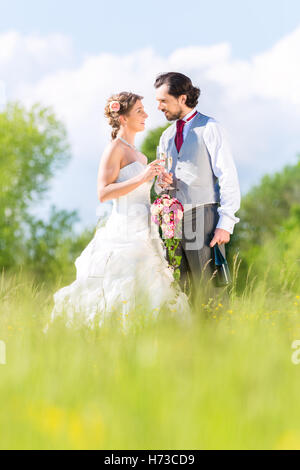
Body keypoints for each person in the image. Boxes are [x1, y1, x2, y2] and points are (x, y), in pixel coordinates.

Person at [49, 91, 191, 333]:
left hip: (147, 231)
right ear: (123, 118)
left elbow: (140, 191)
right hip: (124, 231)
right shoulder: (114, 148)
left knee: (153, 288)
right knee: (120, 286)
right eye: (139, 111)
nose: (146, 114)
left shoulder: (140, 155)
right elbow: (103, 193)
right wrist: (143, 176)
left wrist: (159, 182)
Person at [154, 72, 241, 305]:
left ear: (182, 98)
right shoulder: (166, 137)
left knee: (209, 289)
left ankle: (218, 339)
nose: (160, 107)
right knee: (179, 290)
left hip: (204, 217)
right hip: (173, 222)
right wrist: (161, 184)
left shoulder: (211, 127)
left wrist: (226, 223)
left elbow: (228, 176)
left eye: (164, 101)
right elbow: (159, 183)